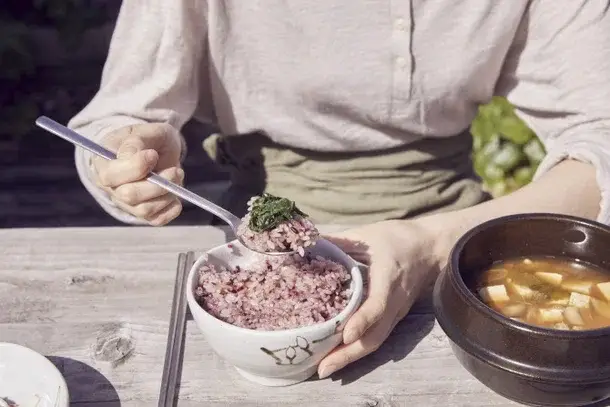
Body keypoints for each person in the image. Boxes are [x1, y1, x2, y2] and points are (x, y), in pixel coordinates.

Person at [69, 1, 610, 379]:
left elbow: (601, 136)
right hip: (250, 260)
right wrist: (129, 153)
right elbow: (116, 119)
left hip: (458, 248)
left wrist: (431, 245)